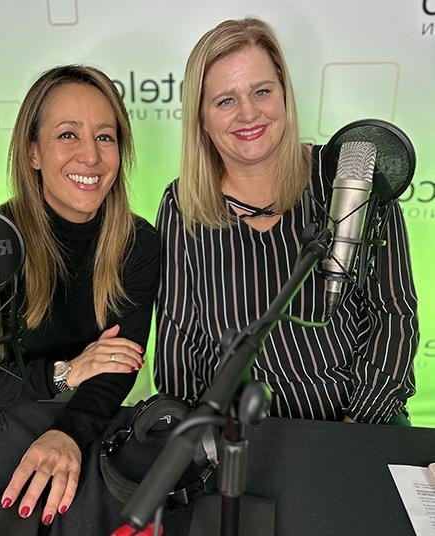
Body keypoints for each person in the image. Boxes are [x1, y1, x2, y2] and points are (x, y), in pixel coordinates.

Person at [154, 17, 418, 425]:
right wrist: (194, 436)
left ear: (284, 95)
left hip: (359, 421)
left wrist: (356, 426)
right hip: (242, 432)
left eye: (262, 91)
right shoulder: (183, 203)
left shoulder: (351, 175)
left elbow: (394, 316)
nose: (248, 113)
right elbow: (180, 341)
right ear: (201, 119)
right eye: (225, 100)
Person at [0, 65, 160, 528]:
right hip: (3, 426)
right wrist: (68, 372)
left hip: (91, 420)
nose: (91, 156)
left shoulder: (139, 243)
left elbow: (115, 366)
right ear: (33, 153)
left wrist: (67, 432)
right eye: (68, 135)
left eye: (105, 137)